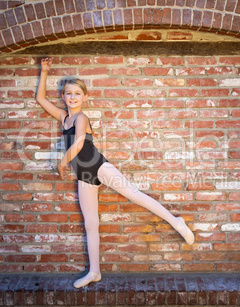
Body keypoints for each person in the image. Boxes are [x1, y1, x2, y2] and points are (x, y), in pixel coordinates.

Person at [36, 58, 194, 288]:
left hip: (99, 166)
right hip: (84, 176)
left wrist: (61, 163)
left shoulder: (81, 118)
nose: (72, 97)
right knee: (90, 223)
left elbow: (79, 143)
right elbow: (40, 99)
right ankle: (94, 272)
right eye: (68, 93)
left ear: (85, 97)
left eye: (77, 93)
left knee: (135, 195)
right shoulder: (64, 117)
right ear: (63, 97)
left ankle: (176, 221)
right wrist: (44, 71)